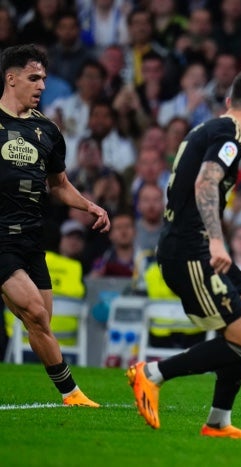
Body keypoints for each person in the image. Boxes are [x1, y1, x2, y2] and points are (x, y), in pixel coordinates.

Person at [126, 70, 241, 440]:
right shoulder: (229, 135)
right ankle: (152, 374)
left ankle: (218, 422)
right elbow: (206, 181)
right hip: (191, 250)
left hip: (195, 245)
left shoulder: (209, 128)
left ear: (228, 101)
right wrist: (219, 241)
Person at [0, 44, 110, 407]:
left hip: (32, 241)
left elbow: (59, 185)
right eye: (33, 78)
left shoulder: (47, 131)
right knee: (33, 311)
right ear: (11, 79)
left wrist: (89, 205)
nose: (42, 86)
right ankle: (73, 394)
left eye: (44, 79)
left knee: (40, 322)